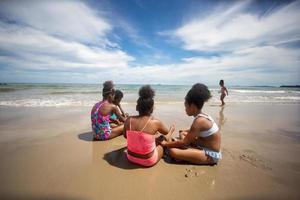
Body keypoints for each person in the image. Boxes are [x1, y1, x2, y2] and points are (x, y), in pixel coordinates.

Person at [160, 83, 221, 165]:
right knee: (183, 133)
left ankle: (184, 155)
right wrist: (184, 132)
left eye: (186, 107)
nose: (185, 109)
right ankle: (189, 152)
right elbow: (195, 131)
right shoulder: (203, 116)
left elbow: (184, 142)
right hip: (205, 145)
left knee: (172, 151)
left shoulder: (199, 121)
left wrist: (166, 144)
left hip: (211, 154)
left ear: (192, 106)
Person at [123, 85, 175, 167]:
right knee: (162, 139)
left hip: (130, 157)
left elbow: (126, 136)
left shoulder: (128, 120)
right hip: (148, 161)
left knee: (151, 138)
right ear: (152, 109)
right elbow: (166, 134)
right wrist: (171, 130)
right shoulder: (155, 122)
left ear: (137, 108)